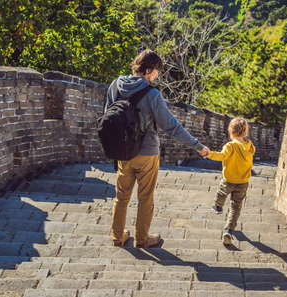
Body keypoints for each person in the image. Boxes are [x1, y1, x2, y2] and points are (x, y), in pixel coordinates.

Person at [105, 49, 210, 248]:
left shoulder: (115, 85)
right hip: (147, 153)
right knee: (145, 198)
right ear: (149, 70)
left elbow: (107, 115)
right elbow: (171, 126)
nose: (157, 76)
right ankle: (142, 239)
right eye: (157, 72)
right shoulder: (152, 94)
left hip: (122, 151)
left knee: (121, 196)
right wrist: (197, 145)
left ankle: (118, 236)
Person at [207, 117, 256, 245]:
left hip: (229, 179)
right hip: (243, 181)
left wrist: (209, 154)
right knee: (236, 207)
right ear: (245, 132)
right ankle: (228, 230)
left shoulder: (230, 146)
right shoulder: (249, 146)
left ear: (231, 131)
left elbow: (221, 156)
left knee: (221, 193)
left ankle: (218, 206)